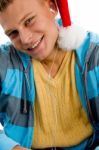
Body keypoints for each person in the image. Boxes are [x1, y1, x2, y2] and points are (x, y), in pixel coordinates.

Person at [0, 0, 99, 150]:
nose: (25, 39)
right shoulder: (4, 63)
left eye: (29, 21)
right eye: (13, 33)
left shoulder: (94, 57)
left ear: (52, 7)